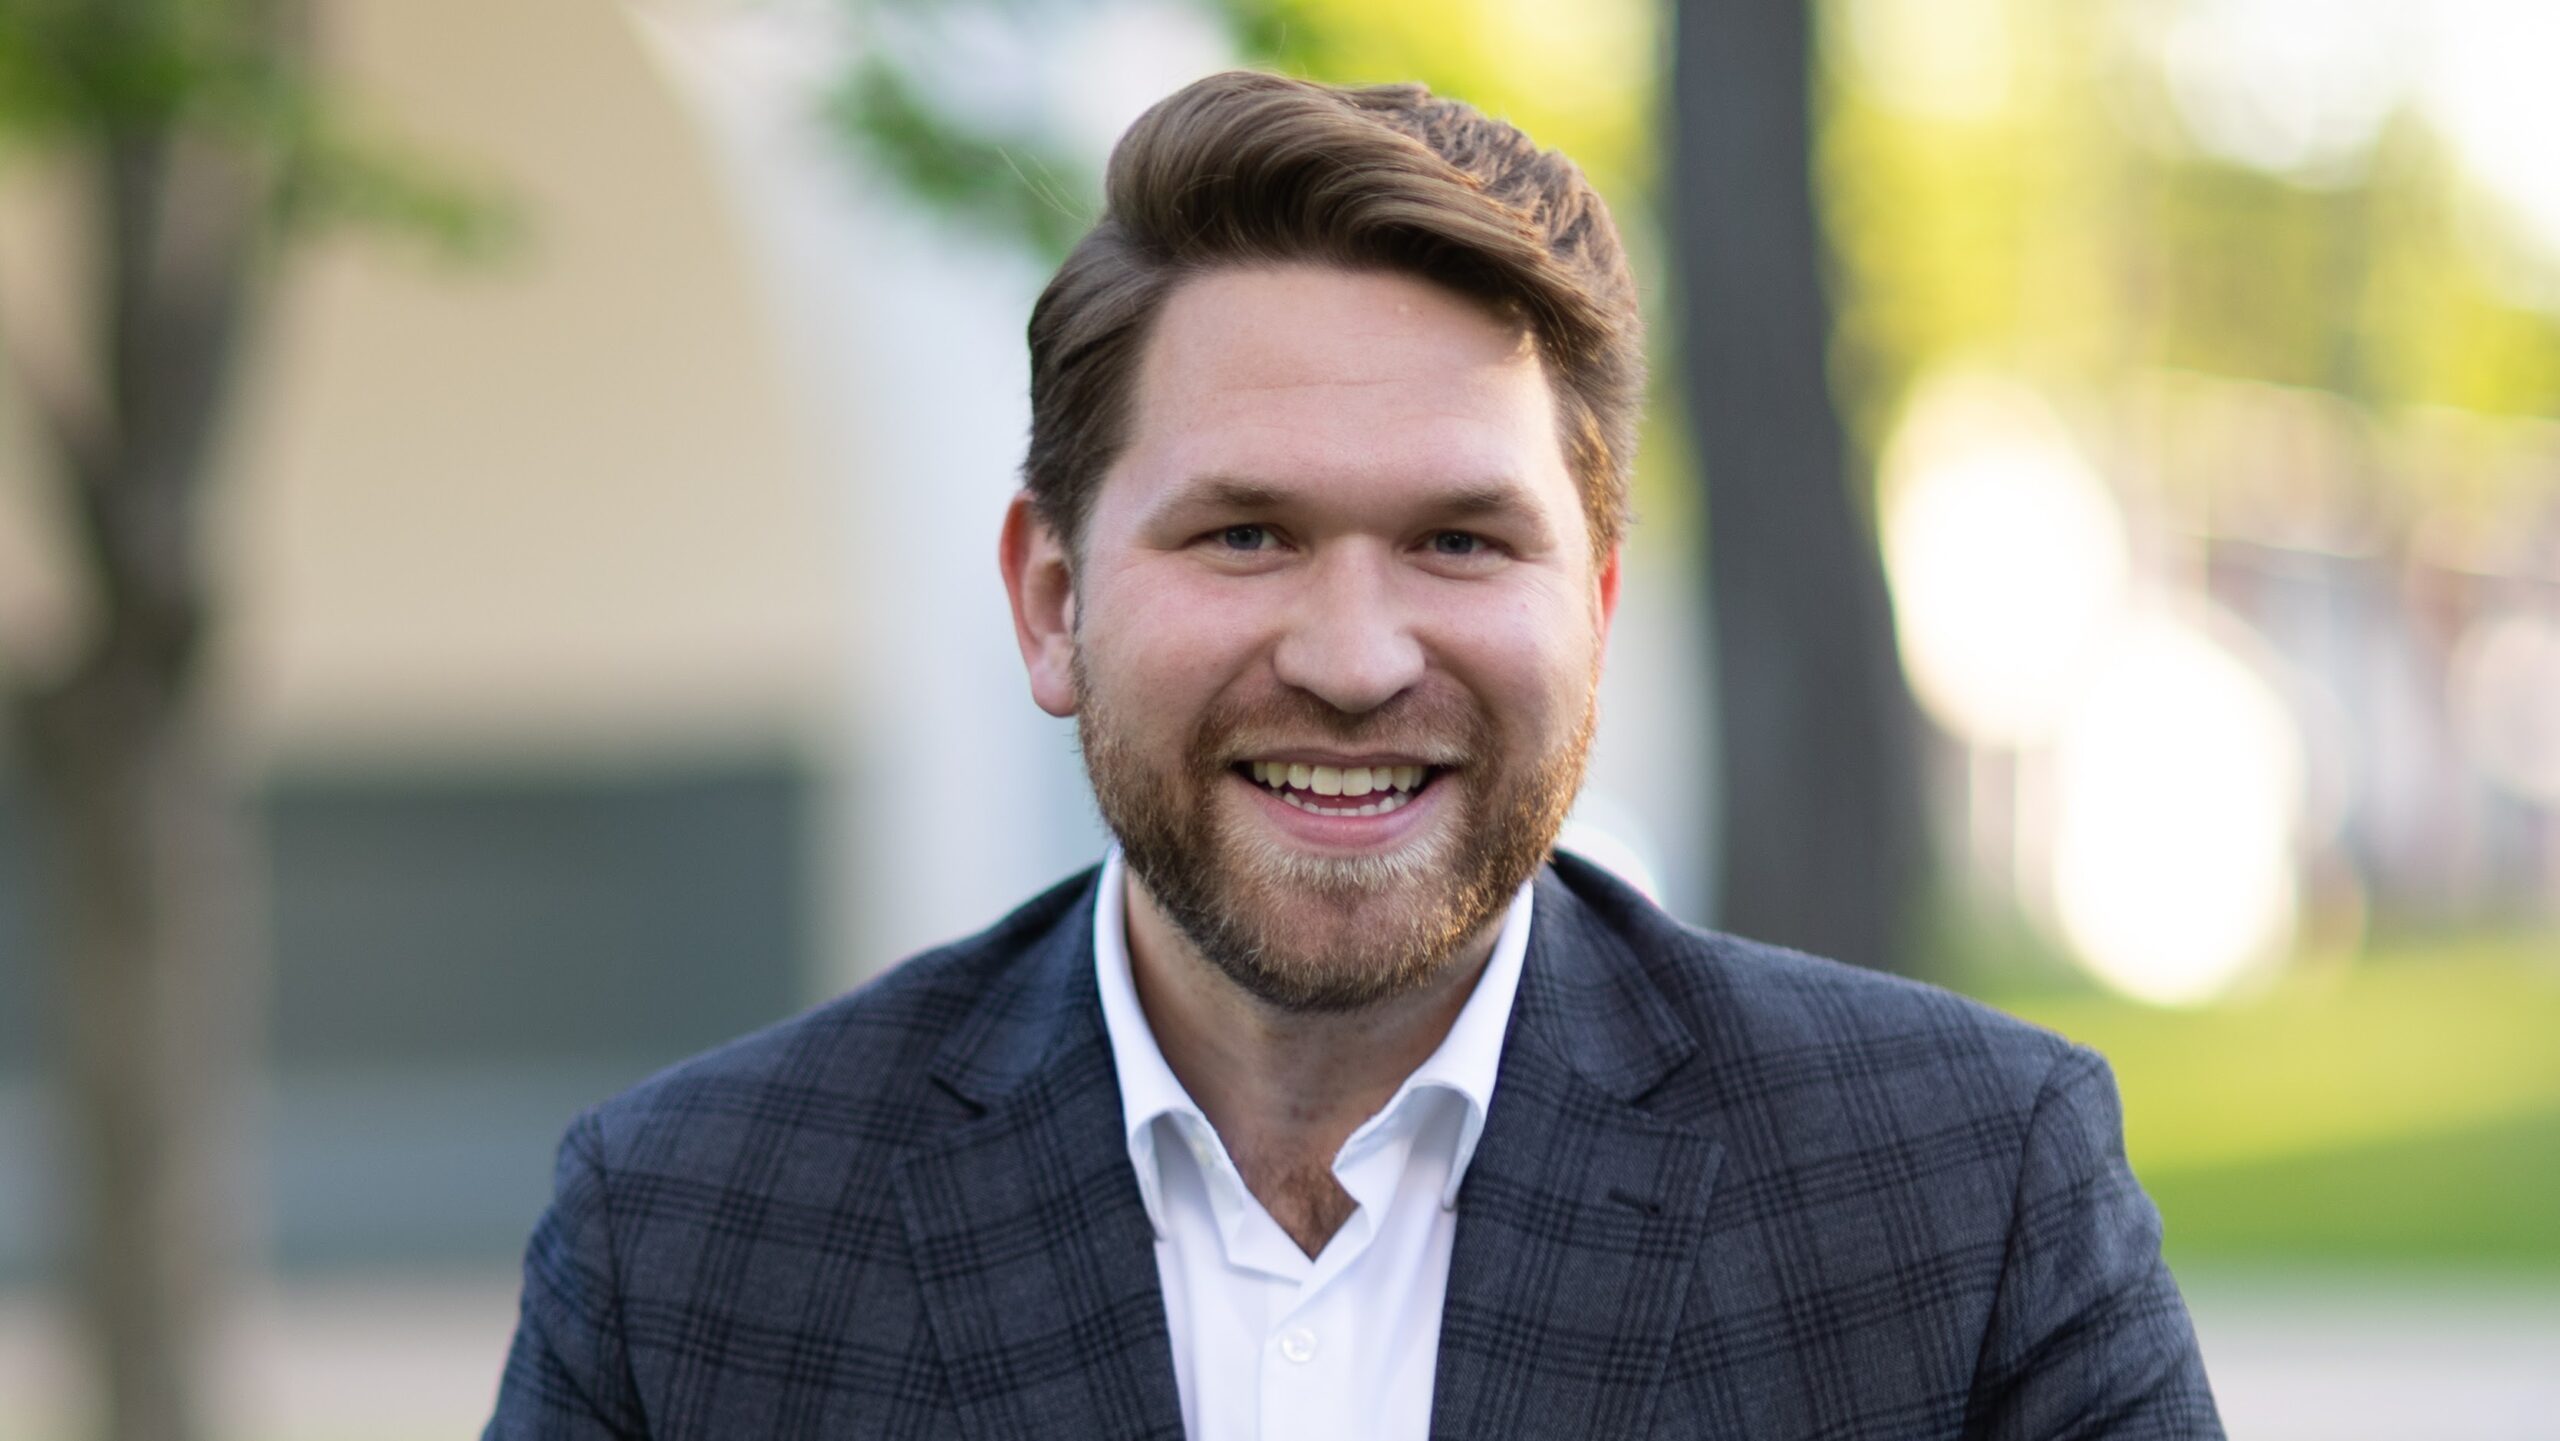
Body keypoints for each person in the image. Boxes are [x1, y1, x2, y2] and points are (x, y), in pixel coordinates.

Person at [484, 70, 2221, 1440]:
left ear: (1596, 608)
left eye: (1464, 540)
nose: (1353, 654)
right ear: (1049, 598)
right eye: (1245, 534)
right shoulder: (690, 1238)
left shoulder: (1967, 1193)